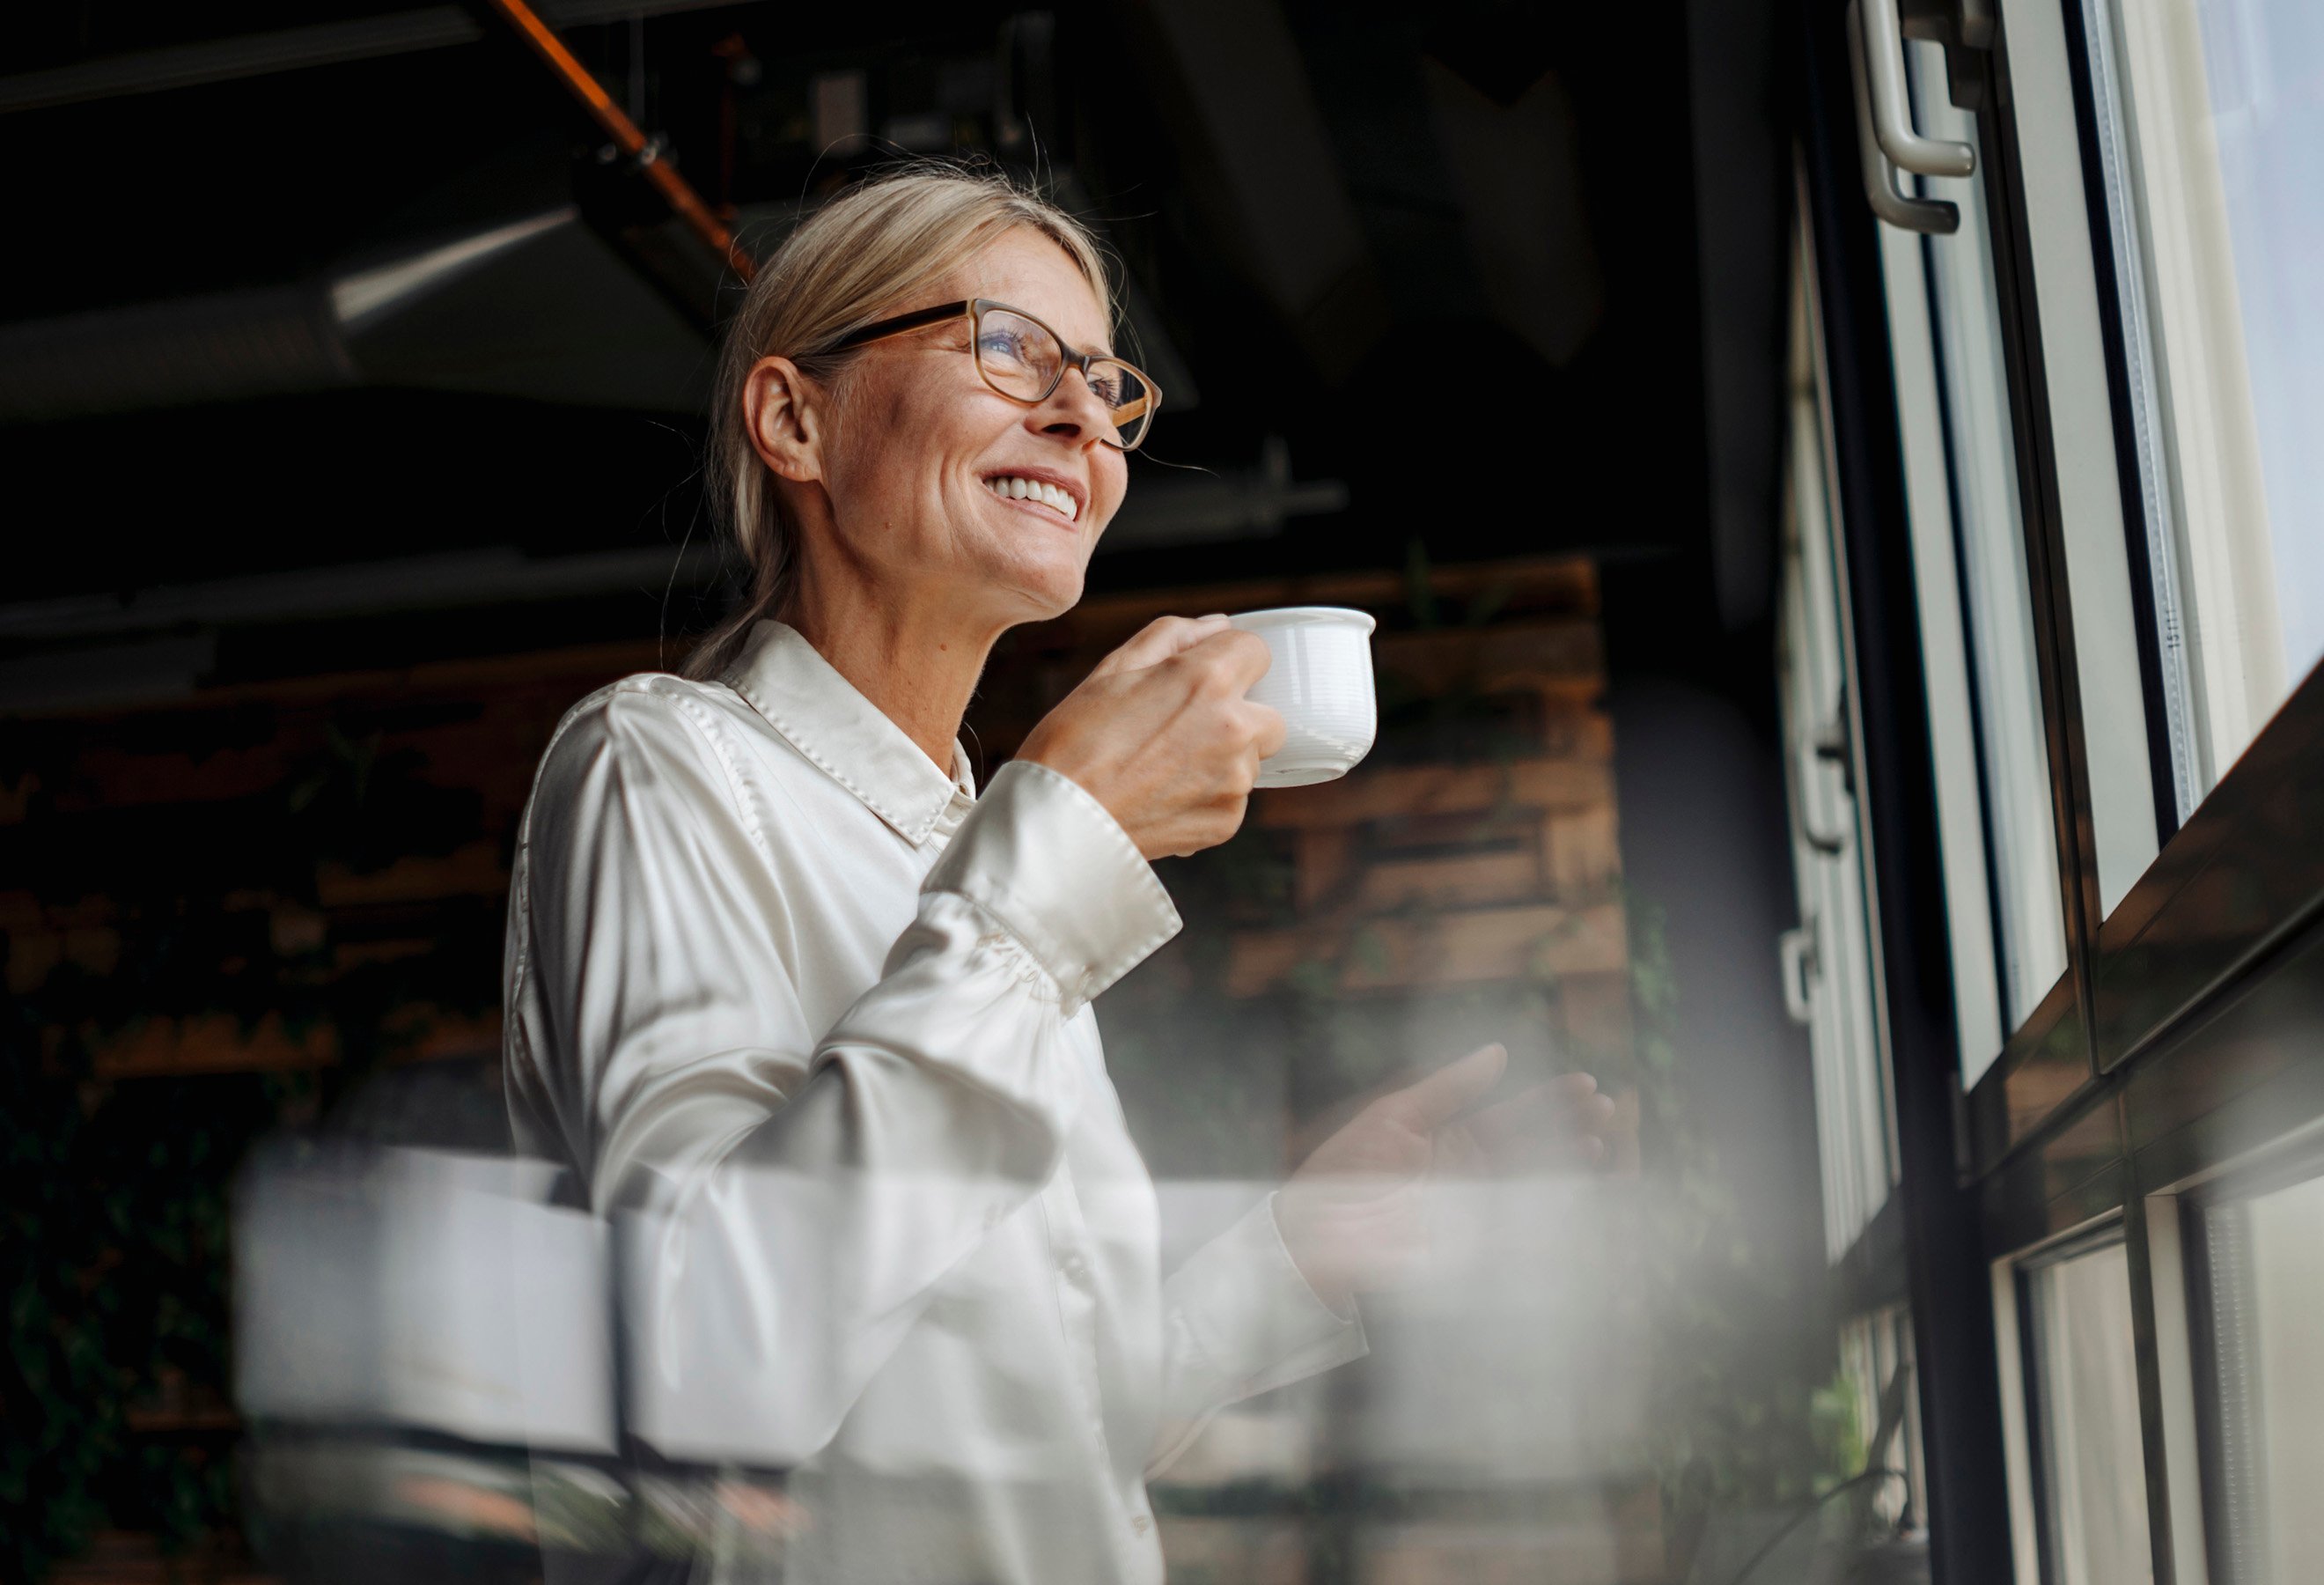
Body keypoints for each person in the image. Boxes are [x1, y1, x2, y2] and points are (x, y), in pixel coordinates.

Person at [502, 163, 1611, 1584]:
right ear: (796, 418)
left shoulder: (989, 849)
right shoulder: (659, 766)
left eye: (1106, 379)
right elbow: (716, 1364)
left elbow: (1029, 1426)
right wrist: (1055, 864)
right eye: (1007, 345)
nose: (1084, 411)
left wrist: (1304, 1247)